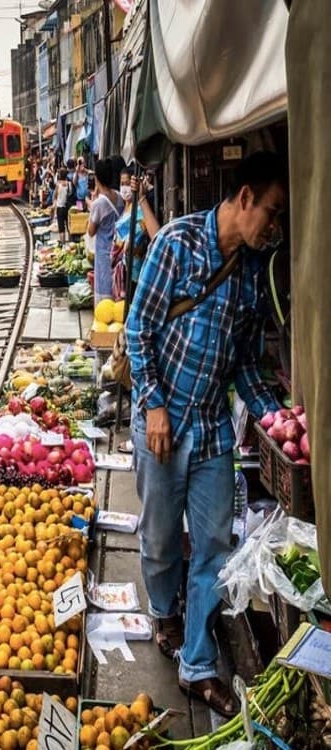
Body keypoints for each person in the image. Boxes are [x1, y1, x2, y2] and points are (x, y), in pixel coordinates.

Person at [125, 151, 286, 718]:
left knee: (215, 544)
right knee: (161, 540)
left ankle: (197, 665)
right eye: (271, 212)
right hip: (162, 424)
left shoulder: (251, 271)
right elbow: (137, 330)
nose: (274, 227)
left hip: (214, 426)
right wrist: (153, 405)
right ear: (244, 198)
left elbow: (245, 364)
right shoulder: (177, 243)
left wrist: (277, 419)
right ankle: (164, 613)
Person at [112, 168, 161, 300]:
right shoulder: (125, 208)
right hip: (123, 267)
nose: (124, 188)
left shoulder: (140, 208)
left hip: (135, 270)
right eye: (122, 184)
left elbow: (150, 235)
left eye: (128, 183)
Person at [87, 159, 125, 304]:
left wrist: (91, 203)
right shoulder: (119, 196)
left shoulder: (98, 204)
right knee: (117, 289)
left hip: (104, 254)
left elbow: (91, 231)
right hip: (118, 251)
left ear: (97, 178)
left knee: (105, 296)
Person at [54, 168, 71, 243]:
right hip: (67, 208)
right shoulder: (69, 184)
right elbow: (70, 194)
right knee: (69, 226)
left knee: (61, 228)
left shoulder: (58, 184)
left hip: (60, 208)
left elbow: (55, 195)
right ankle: (70, 243)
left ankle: (62, 243)